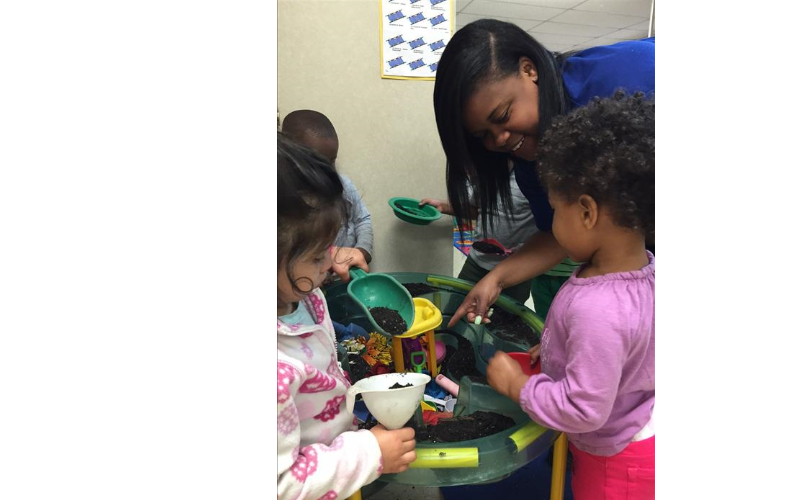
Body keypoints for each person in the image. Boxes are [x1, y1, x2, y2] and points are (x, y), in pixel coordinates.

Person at [486, 92, 655, 500]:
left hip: (617, 464)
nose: (552, 224)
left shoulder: (598, 308)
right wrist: (561, 352)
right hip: (638, 427)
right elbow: (628, 351)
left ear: (586, 212)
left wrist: (518, 388)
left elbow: (583, 410)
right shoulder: (642, 269)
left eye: (555, 210)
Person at [432, 19, 654, 325]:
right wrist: (496, 279)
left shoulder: (628, 75)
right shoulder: (529, 159)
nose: (499, 140)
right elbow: (558, 233)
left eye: (503, 115)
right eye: (483, 134)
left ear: (529, 70)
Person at [277, 133, 416, 499]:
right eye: (320, 253)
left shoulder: (298, 294)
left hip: (335, 446)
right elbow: (286, 484)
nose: (331, 260)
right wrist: (369, 453)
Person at [420, 163, 537, 305]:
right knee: (457, 306)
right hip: (476, 262)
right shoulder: (485, 175)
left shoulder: (529, 179)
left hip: (516, 270)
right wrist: (444, 206)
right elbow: (476, 209)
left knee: (506, 319)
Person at [282, 109, 373, 283]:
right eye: (315, 164)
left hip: (347, 279)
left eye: (331, 160)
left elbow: (363, 219)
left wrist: (361, 251)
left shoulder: (343, 185)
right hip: (309, 287)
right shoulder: (287, 203)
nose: (327, 171)